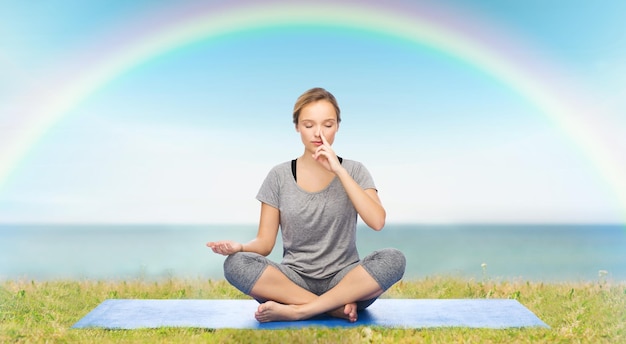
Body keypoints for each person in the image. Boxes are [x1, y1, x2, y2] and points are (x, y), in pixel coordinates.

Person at [207, 87, 405, 323]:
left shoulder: (354, 170)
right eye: (309, 125)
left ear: (338, 127)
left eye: (328, 125)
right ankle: (332, 308)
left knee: (394, 259)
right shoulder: (279, 175)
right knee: (235, 264)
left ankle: (300, 310)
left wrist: (338, 170)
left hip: (346, 281)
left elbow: (377, 221)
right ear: (297, 127)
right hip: (293, 281)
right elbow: (265, 243)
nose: (318, 134)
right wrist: (239, 246)